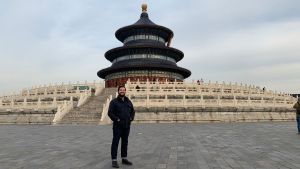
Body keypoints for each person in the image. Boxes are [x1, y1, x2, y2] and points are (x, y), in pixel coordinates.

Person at [108, 86, 135, 168]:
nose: (122, 91)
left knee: (125, 142)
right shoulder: (114, 102)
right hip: (118, 126)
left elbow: (133, 111)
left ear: (125, 91)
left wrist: (131, 118)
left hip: (127, 125)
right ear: (118, 91)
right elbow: (110, 113)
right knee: (115, 142)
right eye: (121, 90)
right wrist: (117, 119)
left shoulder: (128, 101)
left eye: (123, 90)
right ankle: (114, 160)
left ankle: (124, 158)